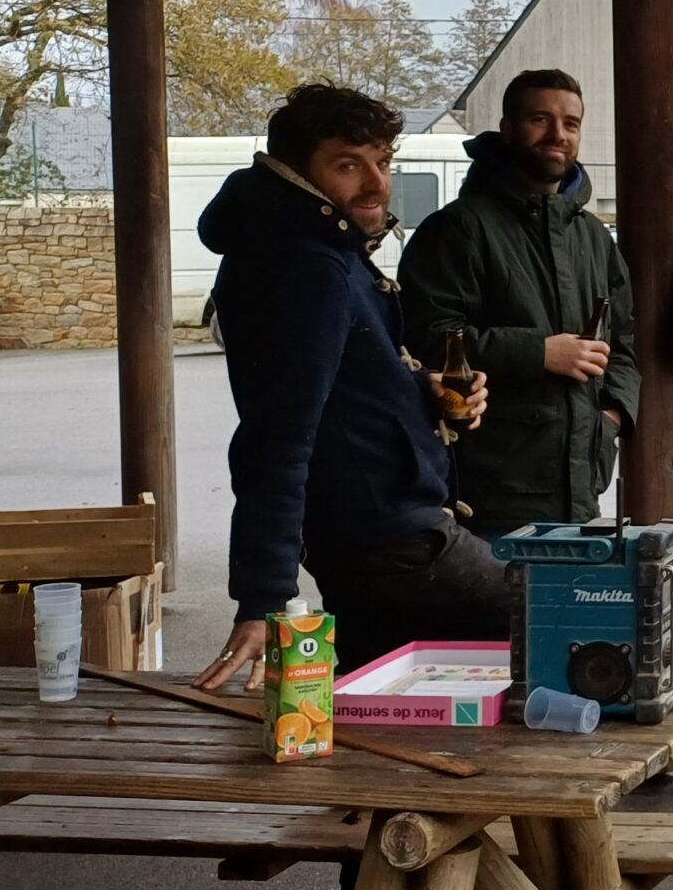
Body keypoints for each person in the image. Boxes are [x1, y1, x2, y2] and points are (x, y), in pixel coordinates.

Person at [193, 84, 511, 693]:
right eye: (348, 165)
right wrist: (263, 596)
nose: (376, 183)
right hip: (389, 537)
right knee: (557, 616)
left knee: (384, 700)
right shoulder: (308, 265)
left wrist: (423, 388)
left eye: (383, 162)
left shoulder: (306, 246)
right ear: (295, 171)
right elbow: (277, 434)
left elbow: (341, 387)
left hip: (369, 533)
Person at [398, 69, 637, 541]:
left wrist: (611, 419)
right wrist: (539, 353)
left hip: (580, 484)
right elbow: (425, 337)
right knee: (493, 615)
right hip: (488, 489)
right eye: (540, 119)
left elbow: (625, 338)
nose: (558, 135)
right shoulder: (458, 228)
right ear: (507, 128)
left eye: (571, 123)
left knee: (558, 615)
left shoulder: (591, 235)